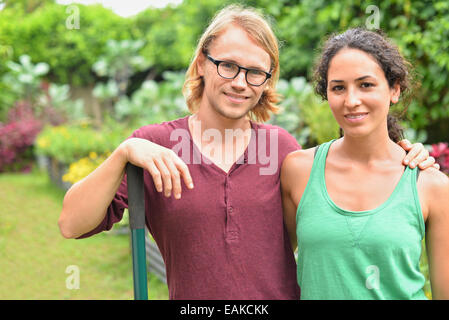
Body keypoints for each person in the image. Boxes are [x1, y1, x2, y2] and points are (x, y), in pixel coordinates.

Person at [58, 6, 436, 300]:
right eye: (228, 66)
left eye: (255, 72)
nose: (240, 83)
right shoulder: (155, 147)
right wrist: (124, 152)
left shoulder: (283, 150)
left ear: (267, 82)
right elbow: (71, 223)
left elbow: (350, 175)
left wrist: (406, 155)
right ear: (202, 64)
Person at [281, 28, 449, 300]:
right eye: (338, 88)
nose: (351, 101)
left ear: (394, 89)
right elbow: (273, 271)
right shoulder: (298, 171)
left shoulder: (431, 185)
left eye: (366, 85)